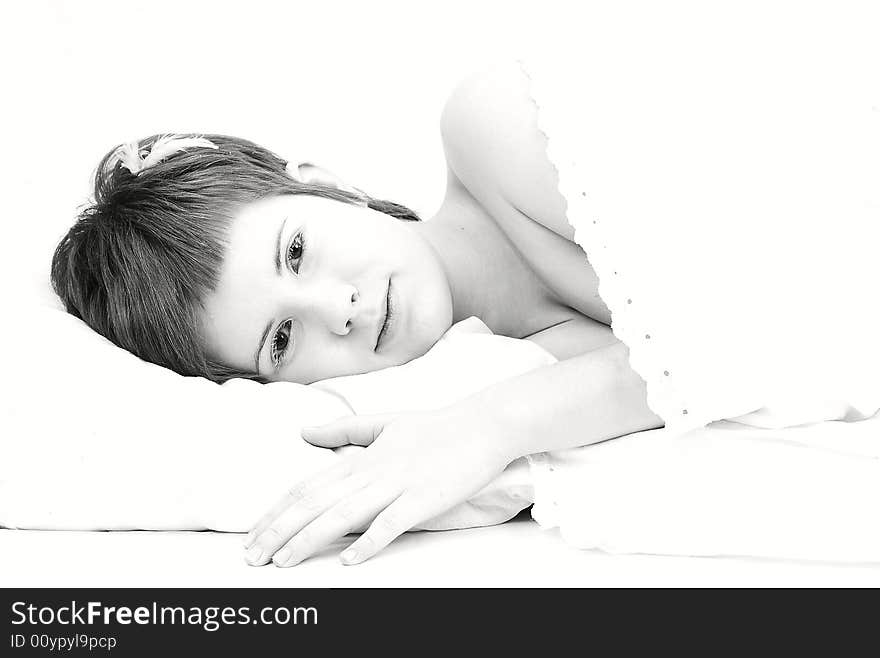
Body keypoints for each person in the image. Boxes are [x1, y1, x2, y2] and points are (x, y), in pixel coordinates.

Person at [51, 62, 665, 568]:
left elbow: (731, 339)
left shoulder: (492, 126)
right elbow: (670, 380)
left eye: (296, 251)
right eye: (282, 340)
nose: (336, 311)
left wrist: (489, 425)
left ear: (326, 184)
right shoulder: (520, 368)